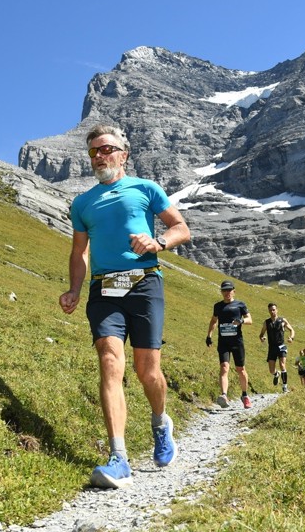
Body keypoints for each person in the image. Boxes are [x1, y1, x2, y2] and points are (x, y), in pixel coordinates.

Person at [59, 124, 191, 489]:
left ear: (123, 153)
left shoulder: (145, 188)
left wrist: (158, 242)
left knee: (148, 372)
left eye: (105, 149)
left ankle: (161, 422)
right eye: (93, 152)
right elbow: (78, 252)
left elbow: (182, 227)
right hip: (103, 290)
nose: (98, 156)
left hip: (145, 284)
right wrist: (73, 288)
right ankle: (119, 458)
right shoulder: (82, 203)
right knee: (109, 362)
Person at [206, 280, 253, 409]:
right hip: (223, 342)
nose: (227, 293)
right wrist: (209, 335)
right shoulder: (218, 306)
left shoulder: (240, 305)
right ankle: (224, 395)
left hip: (237, 342)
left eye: (229, 290)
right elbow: (214, 320)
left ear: (234, 291)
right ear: (221, 292)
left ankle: (245, 395)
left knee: (241, 369)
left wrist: (241, 321)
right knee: (224, 367)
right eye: (224, 290)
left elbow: (250, 320)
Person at [259, 303, 295, 392]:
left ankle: (284, 386)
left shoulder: (282, 320)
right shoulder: (266, 322)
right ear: (268, 311)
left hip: (281, 345)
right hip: (272, 347)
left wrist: (291, 338)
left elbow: (292, 330)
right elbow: (261, 334)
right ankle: (276, 374)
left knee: (282, 365)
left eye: (273, 309)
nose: (272, 311)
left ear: (277, 310)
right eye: (270, 310)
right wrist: (262, 338)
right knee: (271, 370)